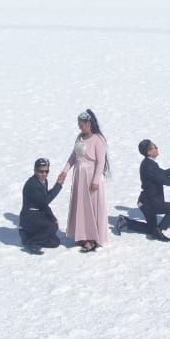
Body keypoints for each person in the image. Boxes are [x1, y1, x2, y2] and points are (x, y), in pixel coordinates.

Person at [117, 140, 170, 241]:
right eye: (154, 147)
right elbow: (167, 181)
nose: (157, 148)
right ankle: (158, 231)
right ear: (149, 152)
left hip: (146, 201)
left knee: (151, 229)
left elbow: (163, 173)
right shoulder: (149, 166)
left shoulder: (149, 163)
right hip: (150, 203)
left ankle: (126, 222)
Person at [62, 108, 110, 253]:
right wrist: (65, 171)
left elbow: (101, 161)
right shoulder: (80, 138)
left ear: (89, 124)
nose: (79, 127)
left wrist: (95, 180)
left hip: (91, 177)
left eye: (81, 124)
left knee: (92, 207)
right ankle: (82, 234)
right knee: (81, 207)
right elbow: (74, 156)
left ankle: (92, 238)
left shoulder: (98, 139)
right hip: (80, 177)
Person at [21, 158, 63, 255]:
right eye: (41, 171)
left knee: (55, 242)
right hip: (30, 217)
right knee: (52, 227)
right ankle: (31, 242)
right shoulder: (33, 184)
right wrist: (58, 185)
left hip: (38, 214)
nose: (44, 174)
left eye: (46, 171)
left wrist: (52, 217)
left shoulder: (44, 181)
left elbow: (43, 204)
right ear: (35, 170)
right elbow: (45, 201)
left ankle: (29, 235)